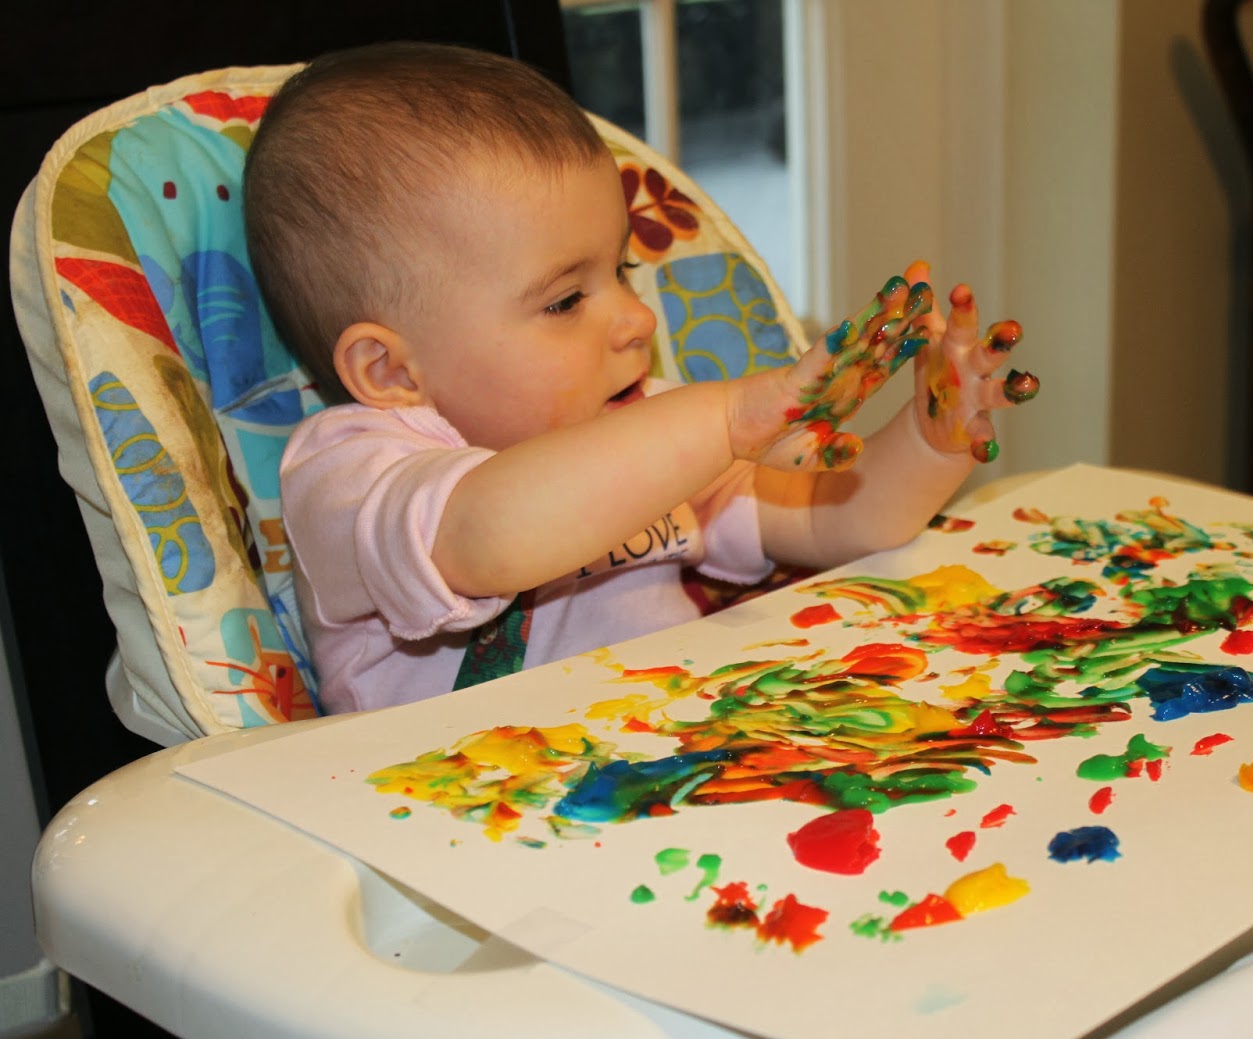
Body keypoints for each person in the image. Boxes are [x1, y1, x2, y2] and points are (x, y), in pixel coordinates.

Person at [245, 41, 1037, 716]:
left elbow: (836, 524)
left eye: (622, 271)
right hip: (445, 812)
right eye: (565, 300)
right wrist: (719, 423)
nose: (637, 319)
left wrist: (929, 439)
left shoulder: (647, 427)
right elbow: (486, 539)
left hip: (667, 776)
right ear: (390, 370)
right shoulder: (350, 472)